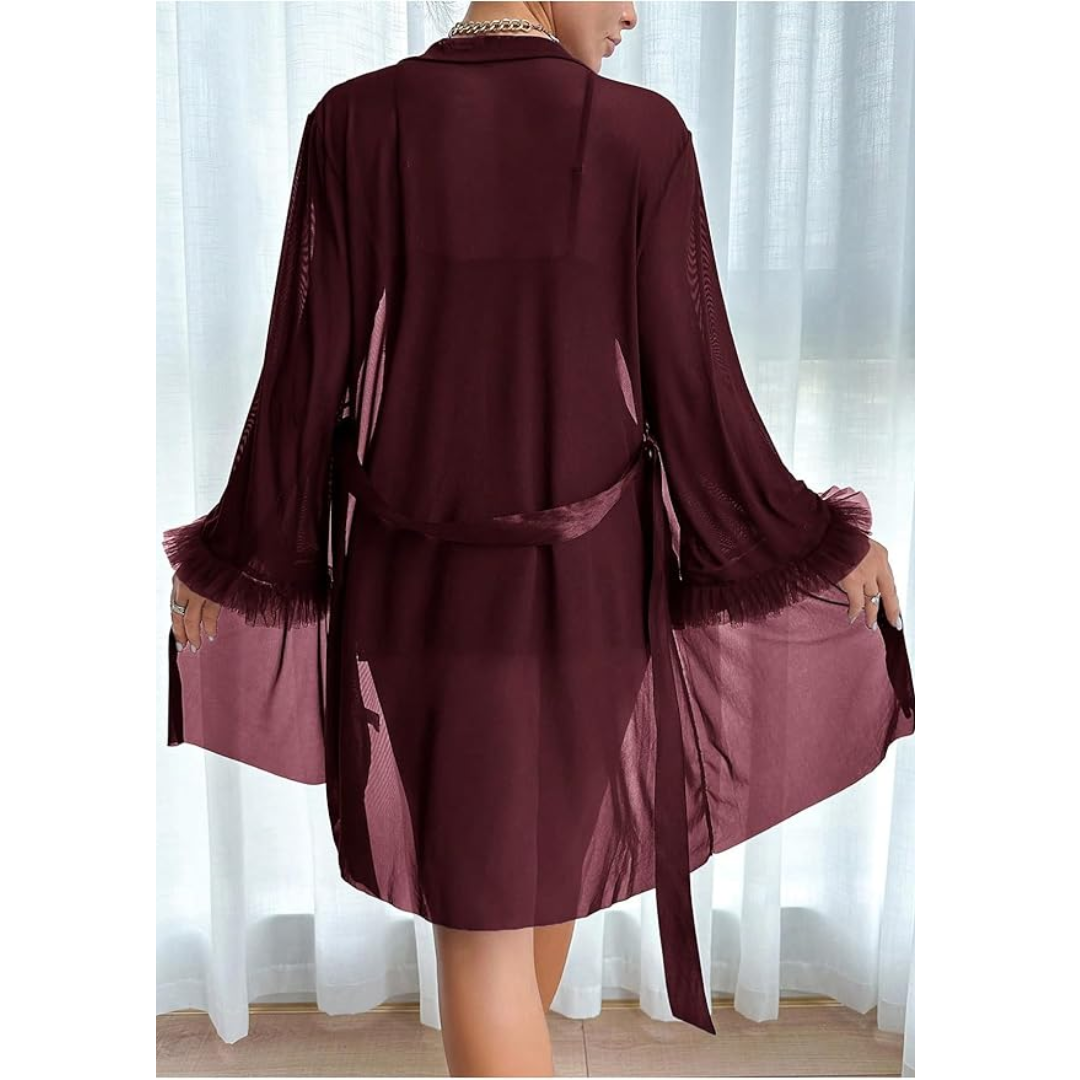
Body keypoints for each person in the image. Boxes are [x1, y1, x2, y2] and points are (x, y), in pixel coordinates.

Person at [163, 3, 915, 1075]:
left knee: (498, 912)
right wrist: (809, 538)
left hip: (422, 595)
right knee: (506, 913)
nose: (632, 12)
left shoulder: (353, 123)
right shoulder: (640, 135)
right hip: (592, 595)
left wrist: (241, 547)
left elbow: (302, 376)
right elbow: (696, 392)